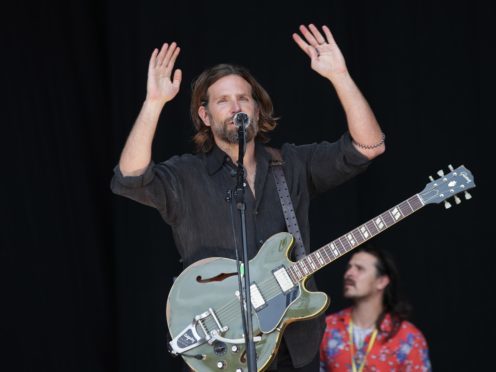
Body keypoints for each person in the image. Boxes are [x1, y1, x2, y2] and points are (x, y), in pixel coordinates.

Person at [111, 23, 385, 371]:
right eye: (222, 101)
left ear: (257, 109)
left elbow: (369, 147)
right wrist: (153, 103)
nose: (235, 106)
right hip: (221, 346)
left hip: (292, 345)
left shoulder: (292, 165)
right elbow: (131, 178)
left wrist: (340, 76)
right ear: (205, 116)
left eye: (243, 98)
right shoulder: (186, 175)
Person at [320, 245, 432, 371]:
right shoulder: (327, 327)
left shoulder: (409, 337)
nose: (348, 274)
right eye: (349, 268)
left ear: (382, 281)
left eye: (360, 269)